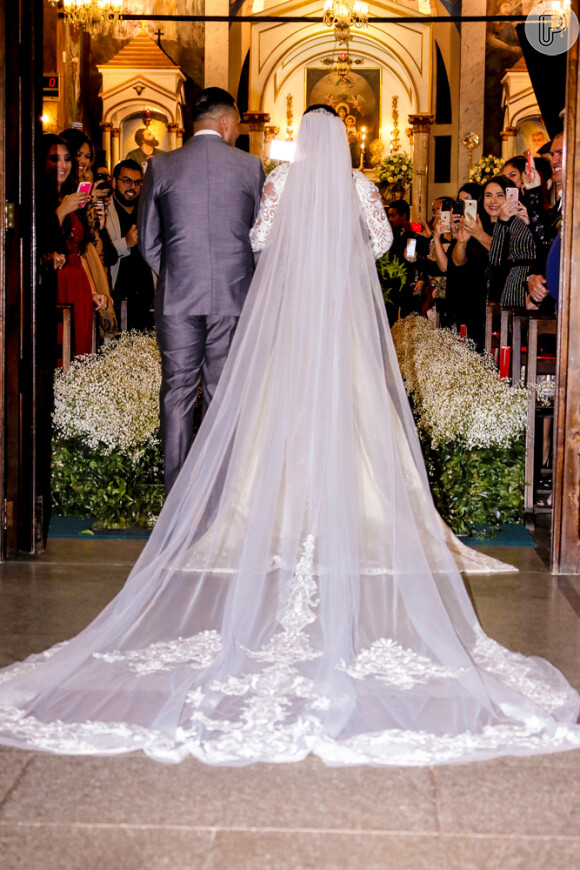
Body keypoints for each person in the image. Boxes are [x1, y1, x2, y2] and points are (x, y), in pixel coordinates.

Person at [1, 108, 579, 766]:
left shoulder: (279, 183)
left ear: (299, 142)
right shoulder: (359, 187)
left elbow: (260, 242)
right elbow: (385, 245)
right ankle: (356, 508)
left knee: (277, 412)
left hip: (291, 329)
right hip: (341, 329)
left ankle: (262, 511)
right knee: (361, 415)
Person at [138, 87, 265, 494]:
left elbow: (148, 241)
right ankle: (217, 494)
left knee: (176, 390)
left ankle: (177, 496)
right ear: (226, 123)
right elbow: (261, 240)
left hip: (177, 297)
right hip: (232, 296)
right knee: (222, 392)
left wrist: (175, 273)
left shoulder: (161, 165)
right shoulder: (250, 167)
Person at [42, 134, 107, 359]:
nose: (63, 165)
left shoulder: (71, 195)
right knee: (59, 352)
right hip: (55, 284)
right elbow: (39, 240)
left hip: (77, 281)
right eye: (55, 158)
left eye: (67, 158)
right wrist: (61, 210)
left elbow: (79, 252)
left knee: (80, 351)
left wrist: (91, 290)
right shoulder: (38, 198)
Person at [106, 159, 155, 331]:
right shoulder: (103, 210)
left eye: (137, 182)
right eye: (126, 181)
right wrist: (125, 243)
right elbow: (99, 253)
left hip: (147, 297)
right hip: (117, 297)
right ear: (113, 181)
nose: (131, 187)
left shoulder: (147, 210)